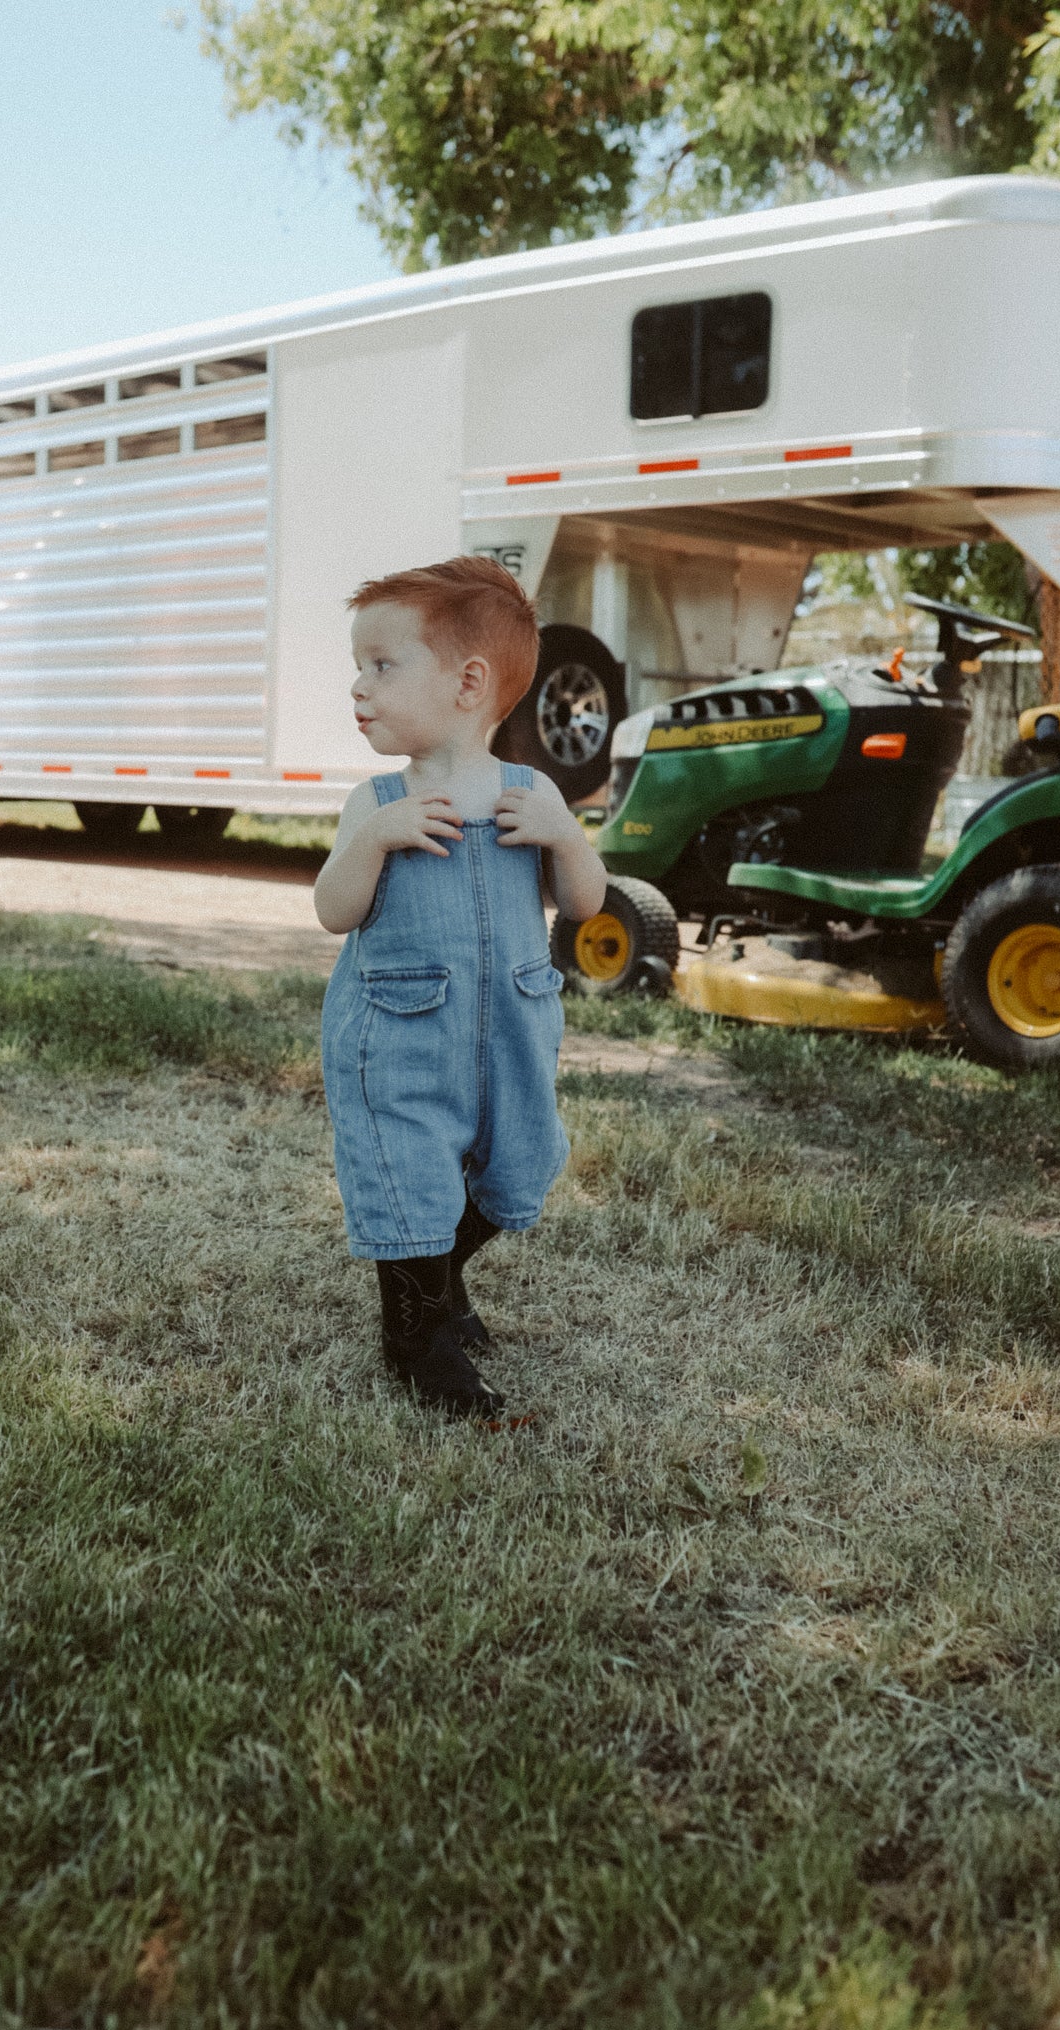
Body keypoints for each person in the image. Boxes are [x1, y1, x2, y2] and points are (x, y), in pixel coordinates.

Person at [315, 556, 608, 1416]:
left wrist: (564, 838)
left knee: (520, 1165)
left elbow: (584, 904)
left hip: (511, 1039)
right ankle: (417, 1344)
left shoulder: (532, 795)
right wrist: (373, 841)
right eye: (359, 666)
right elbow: (335, 912)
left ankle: (437, 1283)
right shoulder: (373, 799)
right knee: (411, 1177)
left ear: (469, 683)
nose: (358, 686)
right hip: (400, 1040)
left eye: (381, 665)